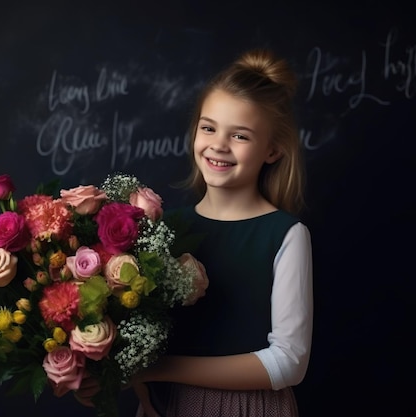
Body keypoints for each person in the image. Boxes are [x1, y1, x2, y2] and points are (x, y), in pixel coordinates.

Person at [130, 47, 314, 417]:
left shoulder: (285, 234)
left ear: (273, 150)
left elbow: (289, 362)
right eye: (208, 127)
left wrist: (162, 369)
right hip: (167, 406)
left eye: (240, 136)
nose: (218, 145)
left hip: (248, 408)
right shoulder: (164, 229)